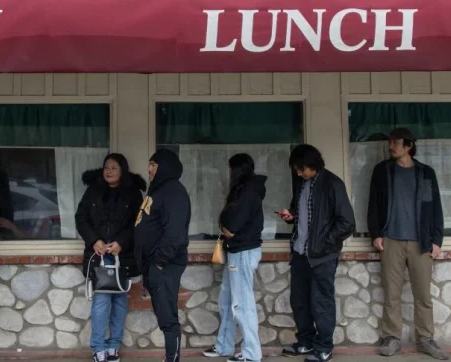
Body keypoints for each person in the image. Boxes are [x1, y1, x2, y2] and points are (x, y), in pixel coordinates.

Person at [367, 128, 447, 360]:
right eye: (390, 142)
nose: (391, 146)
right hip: (390, 239)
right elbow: (373, 205)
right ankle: (391, 338)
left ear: (409, 145)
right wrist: (376, 234)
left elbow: (436, 208)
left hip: (421, 242)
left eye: (395, 142)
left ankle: (425, 339)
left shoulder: (426, 173)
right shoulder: (382, 171)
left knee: (423, 294)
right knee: (391, 294)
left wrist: (437, 239)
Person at [279, 145, 355, 362]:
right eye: (296, 170)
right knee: (299, 300)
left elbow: (347, 223)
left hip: (322, 256)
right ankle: (305, 342)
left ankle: (323, 347)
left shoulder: (333, 184)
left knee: (321, 302)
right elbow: (301, 212)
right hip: (300, 252)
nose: (298, 173)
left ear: (312, 165)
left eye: (301, 169)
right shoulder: (302, 184)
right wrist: (291, 216)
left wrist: (323, 244)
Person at [75, 153, 146, 362]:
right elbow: (81, 218)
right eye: (106, 167)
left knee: (120, 301)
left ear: (122, 170)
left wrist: (121, 243)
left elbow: (138, 224)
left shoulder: (133, 194)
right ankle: (98, 348)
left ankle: (113, 345)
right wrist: (94, 240)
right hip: (98, 255)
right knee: (101, 300)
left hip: (122, 256)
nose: (109, 171)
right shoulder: (93, 191)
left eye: (114, 167)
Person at [203, 154, 266, 362]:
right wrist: (226, 225)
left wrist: (227, 226)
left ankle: (251, 354)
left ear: (237, 170)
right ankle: (224, 346)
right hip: (238, 251)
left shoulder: (247, 192)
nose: (229, 174)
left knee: (242, 304)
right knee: (227, 300)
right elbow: (227, 221)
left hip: (243, 252)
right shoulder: (246, 191)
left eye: (231, 169)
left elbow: (231, 222)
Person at [134, 149, 191, 362]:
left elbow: (174, 233)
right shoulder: (158, 191)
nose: (148, 169)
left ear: (164, 166)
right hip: (155, 264)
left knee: (168, 317)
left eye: (153, 165)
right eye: (149, 164)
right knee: (163, 314)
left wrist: (158, 262)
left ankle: (172, 359)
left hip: (164, 264)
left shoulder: (173, 192)